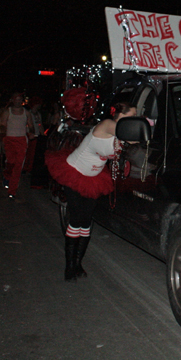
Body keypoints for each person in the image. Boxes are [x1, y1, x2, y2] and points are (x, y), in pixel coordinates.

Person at [45, 101, 137, 281]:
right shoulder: (108, 124)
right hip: (75, 173)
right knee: (76, 218)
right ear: (119, 115)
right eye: (132, 115)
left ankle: (78, 263)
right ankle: (69, 267)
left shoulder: (123, 133)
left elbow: (134, 140)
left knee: (86, 221)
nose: (135, 119)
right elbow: (129, 134)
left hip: (94, 178)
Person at [0, 92, 35, 199]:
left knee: (18, 165)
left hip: (21, 141)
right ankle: (7, 176)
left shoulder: (26, 113)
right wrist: (3, 133)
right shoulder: (7, 112)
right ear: (12, 100)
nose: (18, 101)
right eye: (16, 99)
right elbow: (2, 125)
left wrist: (32, 132)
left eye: (20, 99)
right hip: (10, 140)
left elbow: (31, 125)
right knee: (11, 162)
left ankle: (12, 190)